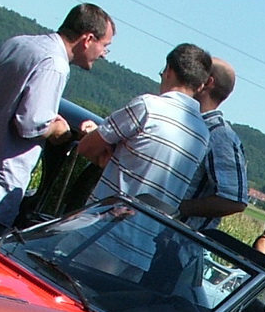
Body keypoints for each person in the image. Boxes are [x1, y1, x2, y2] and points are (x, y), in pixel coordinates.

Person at [0, 3, 114, 233]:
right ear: (88, 39)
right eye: (105, 46)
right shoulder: (54, 64)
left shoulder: (17, 43)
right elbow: (30, 124)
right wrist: (58, 130)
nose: (103, 54)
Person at [77, 42, 211, 210]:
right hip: (153, 225)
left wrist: (99, 142)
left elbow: (86, 147)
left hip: (106, 218)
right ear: (201, 86)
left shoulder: (147, 107)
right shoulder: (203, 135)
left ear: (169, 70)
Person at [174, 57, 248, 231]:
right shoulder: (184, 120)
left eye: (196, 72)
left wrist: (176, 207)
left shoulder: (220, 137)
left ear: (207, 82)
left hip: (175, 239)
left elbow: (234, 200)